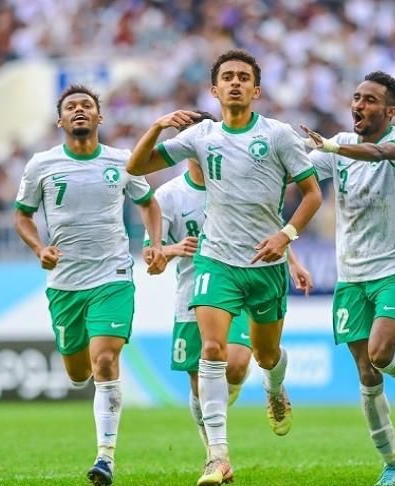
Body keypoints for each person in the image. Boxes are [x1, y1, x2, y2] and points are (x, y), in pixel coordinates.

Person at [127, 49, 322, 486]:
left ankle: (275, 388)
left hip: (265, 261)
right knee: (212, 351)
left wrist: (286, 236)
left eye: (243, 77)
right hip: (215, 260)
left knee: (266, 355)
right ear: (214, 90)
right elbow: (136, 166)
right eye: (227, 77)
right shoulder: (202, 136)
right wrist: (158, 125)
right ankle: (217, 457)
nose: (235, 82)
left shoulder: (278, 136)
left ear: (257, 90)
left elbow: (312, 195)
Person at [14, 84, 167, 486]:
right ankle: (89, 392)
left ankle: (105, 457)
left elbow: (148, 203)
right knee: (79, 372)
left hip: (112, 277)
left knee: (105, 361)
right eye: (71, 106)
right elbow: (22, 215)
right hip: (65, 284)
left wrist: (154, 243)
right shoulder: (42, 165)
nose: (79, 110)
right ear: (60, 120)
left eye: (87, 105)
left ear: (100, 117)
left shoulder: (122, 161)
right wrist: (39, 248)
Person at [144, 118, 314, 457]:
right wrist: (172, 250)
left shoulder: (233, 179)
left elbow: (264, 223)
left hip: (241, 279)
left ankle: (268, 389)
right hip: (192, 291)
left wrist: (292, 261)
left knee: (236, 364)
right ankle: (215, 456)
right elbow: (153, 255)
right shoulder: (169, 196)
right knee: (199, 387)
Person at [300, 71, 395, 486]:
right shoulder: (338, 146)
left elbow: (379, 153)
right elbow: (298, 171)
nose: (359, 105)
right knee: (367, 373)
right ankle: (393, 464)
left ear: (390, 111)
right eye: (356, 97)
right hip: (350, 274)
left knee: (380, 353)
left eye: (370, 100)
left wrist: (333, 146)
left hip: (394, 267)